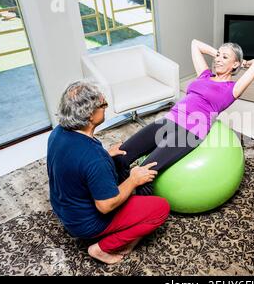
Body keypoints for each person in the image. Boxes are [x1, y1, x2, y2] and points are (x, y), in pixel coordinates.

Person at [113, 39, 254, 195]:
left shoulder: (232, 89)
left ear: (235, 64)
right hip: (169, 120)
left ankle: (138, 210)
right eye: (218, 55)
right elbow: (195, 44)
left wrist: (243, 63)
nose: (218, 59)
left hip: (190, 131)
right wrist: (219, 54)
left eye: (225, 57)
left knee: (144, 173)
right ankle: (114, 195)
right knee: (121, 156)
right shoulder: (204, 75)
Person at [47, 81, 170, 265]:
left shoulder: (57, 133)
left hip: (64, 210)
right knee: (160, 208)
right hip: (86, 223)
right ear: (90, 115)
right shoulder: (94, 158)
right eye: (103, 104)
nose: (106, 107)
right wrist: (134, 179)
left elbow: (76, 164)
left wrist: (105, 155)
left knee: (115, 167)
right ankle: (102, 248)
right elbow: (106, 206)